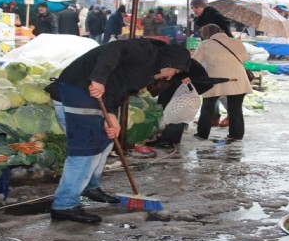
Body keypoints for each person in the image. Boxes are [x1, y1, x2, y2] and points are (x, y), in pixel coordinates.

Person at [46, 39, 191, 223]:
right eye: (174, 71)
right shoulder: (145, 51)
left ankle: (90, 186)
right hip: (77, 92)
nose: (170, 77)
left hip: (92, 98)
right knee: (85, 150)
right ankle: (64, 205)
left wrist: (112, 117)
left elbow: (116, 90)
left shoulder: (147, 72)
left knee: (106, 140)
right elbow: (114, 49)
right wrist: (98, 78)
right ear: (169, 63)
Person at [193, 24, 253, 141]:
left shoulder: (204, 44)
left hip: (215, 80)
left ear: (207, 34)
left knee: (207, 108)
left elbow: (195, 62)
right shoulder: (236, 42)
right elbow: (244, 58)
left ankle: (202, 134)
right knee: (235, 109)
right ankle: (236, 136)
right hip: (238, 79)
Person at [146, 59, 212, 148]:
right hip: (187, 84)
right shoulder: (176, 58)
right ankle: (171, 139)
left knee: (176, 111)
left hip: (186, 84)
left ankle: (168, 140)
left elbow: (180, 74)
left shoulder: (175, 61)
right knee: (177, 110)